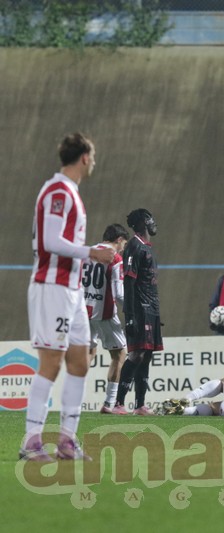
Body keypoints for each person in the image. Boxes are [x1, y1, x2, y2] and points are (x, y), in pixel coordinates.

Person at [21, 132, 115, 461]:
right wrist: (92, 252)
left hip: (72, 290)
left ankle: (67, 441)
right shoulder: (58, 191)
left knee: (80, 361)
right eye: (93, 156)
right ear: (85, 157)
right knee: (51, 362)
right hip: (53, 286)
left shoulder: (69, 191)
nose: (94, 161)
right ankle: (31, 442)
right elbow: (50, 240)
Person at [113, 208, 162, 416]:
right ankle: (118, 403)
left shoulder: (146, 247)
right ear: (142, 223)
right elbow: (129, 282)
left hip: (151, 309)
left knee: (147, 354)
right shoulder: (134, 246)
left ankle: (140, 405)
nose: (153, 222)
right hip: (140, 310)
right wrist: (130, 316)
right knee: (136, 354)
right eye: (149, 218)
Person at [82, 223, 130, 414]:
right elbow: (119, 294)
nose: (123, 248)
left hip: (83, 311)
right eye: (124, 244)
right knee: (119, 355)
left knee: (88, 352)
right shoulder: (114, 257)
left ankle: (74, 398)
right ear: (119, 240)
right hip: (104, 313)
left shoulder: (88, 252)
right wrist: (133, 310)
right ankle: (109, 404)